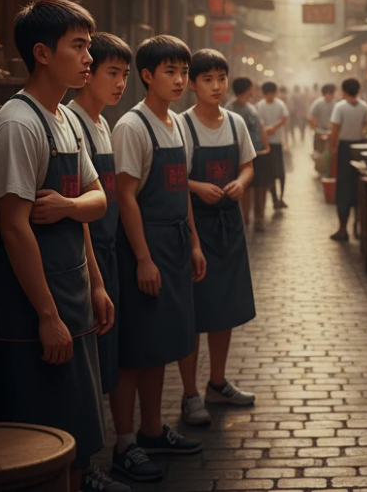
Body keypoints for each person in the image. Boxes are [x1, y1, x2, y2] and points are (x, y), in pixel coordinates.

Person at [0, 0, 112, 492]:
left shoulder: (68, 119)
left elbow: (96, 201)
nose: (88, 59)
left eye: (89, 46)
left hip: (73, 286)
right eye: (78, 46)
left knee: (75, 411)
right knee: (36, 424)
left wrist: (95, 282)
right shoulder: (19, 123)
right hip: (30, 301)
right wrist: (47, 314)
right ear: (41, 52)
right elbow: (14, 227)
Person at [110, 36, 204, 483]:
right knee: (135, 348)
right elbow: (125, 197)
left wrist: (194, 243)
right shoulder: (132, 126)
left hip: (176, 244)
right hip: (144, 248)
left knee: (160, 345)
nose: (180, 80)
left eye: (183, 72)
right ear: (146, 76)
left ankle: (151, 430)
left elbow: (181, 186)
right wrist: (144, 259)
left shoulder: (178, 125)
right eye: (170, 71)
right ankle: (125, 441)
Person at [69, 31, 135, 492]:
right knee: (86, 367)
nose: (119, 84)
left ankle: (115, 449)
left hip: (110, 257)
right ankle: (80, 467)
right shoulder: (72, 123)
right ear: (87, 72)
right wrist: (95, 277)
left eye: (124, 75)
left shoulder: (103, 124)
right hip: (85, 261)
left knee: (106, 363)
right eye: (112, 73)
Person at [177, 49, 257, 425]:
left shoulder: (236, 123)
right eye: (207, 79)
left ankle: (218, 383)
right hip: (196, 225)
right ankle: (190, 394)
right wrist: (197, 187)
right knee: (194, 312)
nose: (216, 86)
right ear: (192, 84)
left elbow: (247, 165)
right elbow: (174, 177)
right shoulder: (182, 125)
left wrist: (240, 184)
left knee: (225, 308)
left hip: (229, 225)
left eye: (221, 78)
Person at [329, 78, 367, 242]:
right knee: (358, 187)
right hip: (360, 149)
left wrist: (332, 150)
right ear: (358, 90)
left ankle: (342, 228)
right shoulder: (364, 107)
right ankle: (357, 227)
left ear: (344, 91)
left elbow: (334, 130)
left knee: (343, 189)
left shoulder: (340, 107)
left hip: (345, 150)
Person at [226, 75, 270, 229]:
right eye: (251, 87)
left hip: (258, 151)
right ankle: (244, 218)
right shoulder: (230, 109)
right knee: (245, 187)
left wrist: (266, 146)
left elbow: (260, 128)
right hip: (241, 153)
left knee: (260, 186)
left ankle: (259, 218)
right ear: (247, 89)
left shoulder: (252, 107)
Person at [256, 81, 290, 211]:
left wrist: (275, 127)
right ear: (264, 94)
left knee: (280, 171)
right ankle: (275, 198)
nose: (270, 96)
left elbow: (284, 118)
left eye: (272, 94)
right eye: (268, 94)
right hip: (265, 143)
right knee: (269, 172)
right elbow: (258, 121)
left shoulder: (280, 104)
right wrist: (265, 129)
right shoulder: (259, 105)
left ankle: (281, 197)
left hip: (277, 142)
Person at [308, 83, 337, 174]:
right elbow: (312, 117)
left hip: (330, 132)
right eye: (329, 94)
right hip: (319, 131)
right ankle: (319, 168)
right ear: (324, 94)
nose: (330, 96)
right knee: (318, 151)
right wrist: (314, 129)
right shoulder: (318, 103)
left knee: (328, 151)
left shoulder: (335, 105)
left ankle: (326, 168)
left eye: (332, 94)